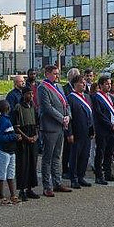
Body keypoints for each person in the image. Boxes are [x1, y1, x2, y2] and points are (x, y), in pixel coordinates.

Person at [38, 64, 72, 196]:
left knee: (57, 156)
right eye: (55, 73)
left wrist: (68, 115)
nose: (57, 76)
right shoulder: (43, 87)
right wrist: (61, 118)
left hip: (60, 126)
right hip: (50, 126)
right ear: (47, 74)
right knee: (48, 157)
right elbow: (47, 107)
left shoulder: (58, 87)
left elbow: (66, 103)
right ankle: (47, 186)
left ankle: (57, 182)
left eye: (58, 73)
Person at [11, 86, 40, 200]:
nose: (31, 96)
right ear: (23, 95)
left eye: (32, 94)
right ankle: (22, 190)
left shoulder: (33, 106)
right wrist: (27, 137)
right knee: (23, 164)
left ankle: (30, 188)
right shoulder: (18, 108)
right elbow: (16, 127)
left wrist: (36, 136)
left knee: (32, 163)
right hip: (23, 138)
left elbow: (37, 123)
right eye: (28, 94)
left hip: (33, 135)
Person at [92, 74, 114, 185]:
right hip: (103, 129)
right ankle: (99, 176)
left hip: (113, 129)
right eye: (106, 84)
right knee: (100, 153)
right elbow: (99, 114)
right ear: (100, 85)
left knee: (109, 153)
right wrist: (111, 125)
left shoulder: (111, 97)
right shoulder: (96, 97)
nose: (109, 86)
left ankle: (108, 173)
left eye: (110, 84)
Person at [67, 74, 94, 189]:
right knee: (75, 156)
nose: (83, 84)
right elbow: (68, 118)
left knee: (85, 155)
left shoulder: (87, 97)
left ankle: (81, 177)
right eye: (81, 83)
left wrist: (92, 130)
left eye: (84, 83)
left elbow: (91, 115)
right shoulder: (70, 98)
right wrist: (70, 133)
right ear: (75, 84)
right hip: (77, 132)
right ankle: (73, 179)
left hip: (87, 131)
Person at [0, 100, 19, 206]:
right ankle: (1, 196)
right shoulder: (4, 121)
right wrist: (13, 136)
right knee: (2, 174)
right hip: (4, 151)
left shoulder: (7, 119)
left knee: (11, 173)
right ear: (7, 108)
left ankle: (13, 195)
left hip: (11, 151)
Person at [61, 68, 81, 181]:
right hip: (69, 121)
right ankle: (65, 169)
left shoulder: (81, 89)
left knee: (76, 148)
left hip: (79, 121)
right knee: (67, 148)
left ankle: (74, 168)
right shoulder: (65, 89)